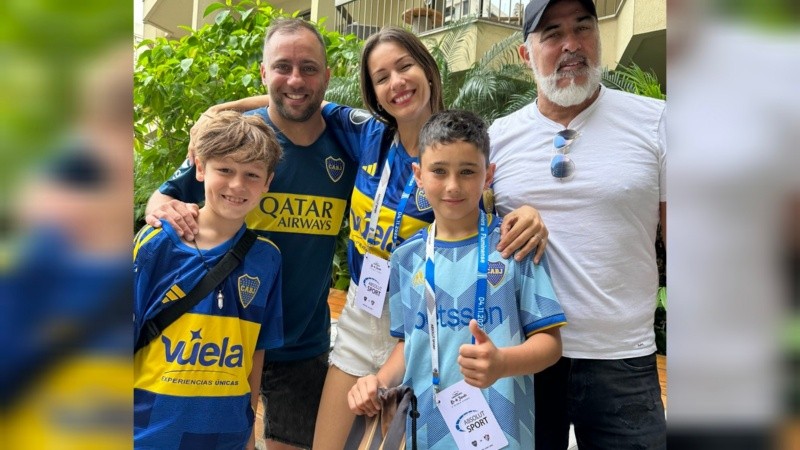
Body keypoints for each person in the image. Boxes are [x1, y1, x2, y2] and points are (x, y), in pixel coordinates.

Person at [201, 26, 549, 450]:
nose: (396, 83)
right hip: (360, 317)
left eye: (405, 67)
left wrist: (528, 213)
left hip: (424, 325)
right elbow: (297, 99)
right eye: (382, 77)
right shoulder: (364, 132)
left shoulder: (452, 149)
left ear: (428, 69)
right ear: (373, 91)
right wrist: (223, 111)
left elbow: (490, 199)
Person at [144, 19, 359, 450]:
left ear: (327, 76)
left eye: (309, 68)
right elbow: (163, 199)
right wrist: (157, 205)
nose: (295, 79)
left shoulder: (347, 144)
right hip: (217, 345)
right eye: (282, 67)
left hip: (302, 342)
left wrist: (228, 103)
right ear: (264, 73)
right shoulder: (240, 141)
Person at [487, 0, 668, 448]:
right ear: (526, 55)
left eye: (582, 27)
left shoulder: (658, 122)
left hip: (622, 360)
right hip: (523, 356)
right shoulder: (495, 138)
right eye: (551, 33)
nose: (571, 45)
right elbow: (463, 231)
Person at [347, 109, 566, 449]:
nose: (452, 185)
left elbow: (550, 345)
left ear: (488, 174)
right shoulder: (407, 257)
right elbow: (409, 344)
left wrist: (503, 363)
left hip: (502, 431)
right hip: (425, 431)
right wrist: (376, 381)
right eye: (439, 171)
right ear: (418, 174)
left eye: (467, 171)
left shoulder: (513, 246)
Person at [134, 110, 284, 450]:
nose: (237, 185)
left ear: (268, 181)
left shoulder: (268, 258)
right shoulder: (155, 245)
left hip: (226, 436)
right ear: (200, 168)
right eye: (225, 170)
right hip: (148, 433)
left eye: (251, 174)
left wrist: (248, 432)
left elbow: (256, 351)